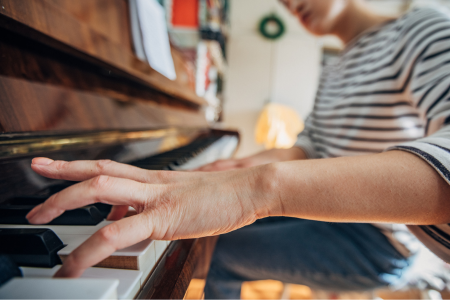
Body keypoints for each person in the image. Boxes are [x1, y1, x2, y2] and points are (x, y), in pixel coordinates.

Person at [25, 0, 450, 298]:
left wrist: (254, 187)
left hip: (380, 242)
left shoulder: (420, 31)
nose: (290, 4)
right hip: (332, 214)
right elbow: (310, 146)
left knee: (224, 250)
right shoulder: (337, 65)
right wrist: (236, 169)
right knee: (217, 230)